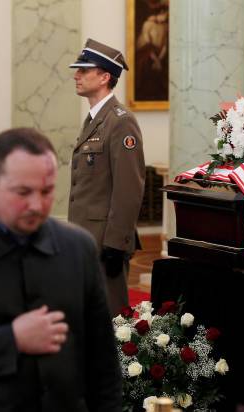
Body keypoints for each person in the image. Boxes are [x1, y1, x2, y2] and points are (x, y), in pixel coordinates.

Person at [0, 128, 121, 411]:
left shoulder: (78, 247)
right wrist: (11, 340)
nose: (36, 204)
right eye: (23, 192)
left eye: (46, 191)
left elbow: (103, 361)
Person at [69, 38, 146, 316]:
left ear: (104, 77)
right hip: (85, 238)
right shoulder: (93, 119)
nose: (76, 75)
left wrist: (116, 243)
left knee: (109, 318)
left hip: (105, 241)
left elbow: (129, 188)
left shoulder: (120, 121)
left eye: (84, 70)